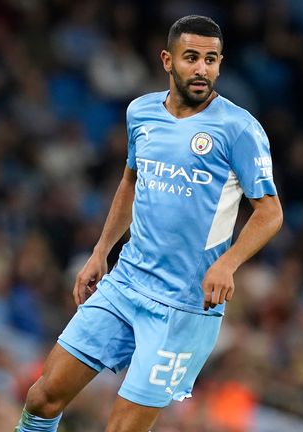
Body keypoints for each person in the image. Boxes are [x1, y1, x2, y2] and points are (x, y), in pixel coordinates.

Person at [15, 15, 283, 432]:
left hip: (184, 308)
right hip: (126, 284)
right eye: (191, 57)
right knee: (43, 398)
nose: (201, 69)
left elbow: (270, 212)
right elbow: (131, 181)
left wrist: (227, 263)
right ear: (167, 60)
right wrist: (101, 251)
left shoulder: (240, 129)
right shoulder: (140, 112)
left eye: (211, 59)